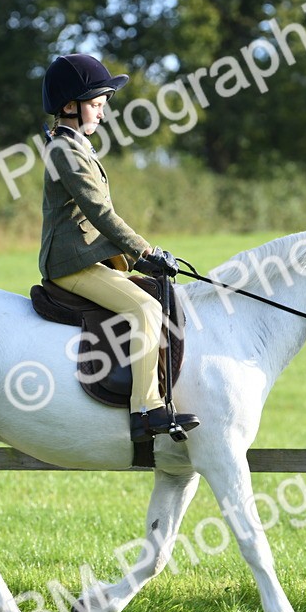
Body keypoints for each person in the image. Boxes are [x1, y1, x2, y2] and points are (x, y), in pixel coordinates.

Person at [38, 53, 199, 442]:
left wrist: (139, 259)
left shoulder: (76, 145)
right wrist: (145, 252)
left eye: (102, 106)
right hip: (70, 263)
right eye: (96, 105)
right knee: (146, 307)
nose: (102, 114)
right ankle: (146, 410)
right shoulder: (64, 150)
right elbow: (99, 213)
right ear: (68, 106)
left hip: (88, 257)